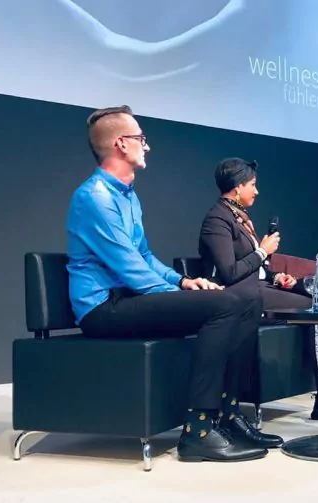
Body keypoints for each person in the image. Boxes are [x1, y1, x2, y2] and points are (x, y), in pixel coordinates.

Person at [67, 105, 280, 464]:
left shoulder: (127, 195)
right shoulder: (95, 198)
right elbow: (131, 268)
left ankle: (228, 414)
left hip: (128, 298)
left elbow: (146, 257)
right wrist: (182, 294)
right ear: (121, 144)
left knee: (247, 301)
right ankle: (198, 430)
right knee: (226, 303)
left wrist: (184, 280)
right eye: (141, 139)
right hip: (103, 308)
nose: (146, 146)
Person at [198, 158, 318, 421]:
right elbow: (229, 273)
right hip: (240, 294)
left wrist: (276, 275)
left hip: (260, 285)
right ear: (237, 186)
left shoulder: (238, 217)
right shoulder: (217, 219)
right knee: (312, 308)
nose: (257, 191)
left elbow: (255, 267)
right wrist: (261, 251)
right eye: (253, 185)